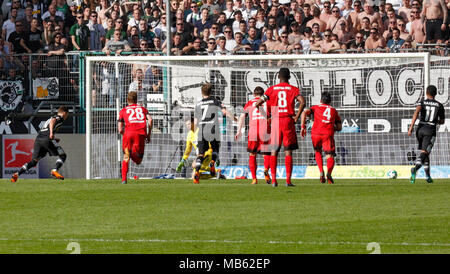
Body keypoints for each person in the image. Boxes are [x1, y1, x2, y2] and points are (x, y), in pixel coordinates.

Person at [255, 68, 306, 187]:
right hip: (288, 120)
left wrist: (267, 116)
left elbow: (258, 104)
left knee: (274, 151)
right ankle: (288, 181)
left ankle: (274, 180)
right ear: (289, 77)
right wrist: (297, 116)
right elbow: (302, 102)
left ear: (278, 76)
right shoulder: (293, 89)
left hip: (276, 120)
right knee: (288, 151)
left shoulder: (271, 89)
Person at [11, 107, 70, 182]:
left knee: (34, 161)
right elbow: (53, 121)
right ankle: (54, 170)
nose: (66, 117)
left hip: (39, 139)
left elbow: (46, 128)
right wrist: (51, 133)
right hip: (47, 139)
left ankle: (17, 174)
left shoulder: (51, 119)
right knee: (63, 155)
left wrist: (53, 138)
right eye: (67, 115)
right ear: (64, 113)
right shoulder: (59, 117)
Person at [193, 82, 235, 184]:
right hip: (213, 128)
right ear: (211, 92)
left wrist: (195, 132)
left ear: (202, 92)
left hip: (202, 129)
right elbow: (224, 112)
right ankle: (212, 163)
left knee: (200, 154)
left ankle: (197, 173)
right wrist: (234, 118)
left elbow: (195, 122)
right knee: (215, 149)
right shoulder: (215, 101)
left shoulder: (198, 104)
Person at [300, 92, 342, 184]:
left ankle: (321, 172)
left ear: (320, 100)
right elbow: (339, 128)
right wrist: (331, 126)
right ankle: (329, 173)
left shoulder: (315, 107)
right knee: (329, 155)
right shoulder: (333, 110)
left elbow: (304, 112)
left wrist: (303, 127)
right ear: (330, 101)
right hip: (327, 134)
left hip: (316, 134)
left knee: (317, 151)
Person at [408, 85, 445, 184]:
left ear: (426, 93)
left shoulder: (422, 102)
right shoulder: (439, 105)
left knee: (425, 153)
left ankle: (428, 176)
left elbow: (416, 113)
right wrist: (436, 120)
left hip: (419, 130)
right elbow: (442, 121)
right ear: (435, 94)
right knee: (425, 153)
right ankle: (415, 168)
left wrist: (411, 127)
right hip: (430, 131)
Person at [235, 86, 271, 185]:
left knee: (252, 154)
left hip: (253, 130)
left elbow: (242, 116)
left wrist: (239, 130)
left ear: (254, 94)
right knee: (266, 154)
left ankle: (254, 179)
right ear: (263, 94)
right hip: (265, 129)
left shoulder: (250, 103)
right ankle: (266, 170)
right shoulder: (267, 102)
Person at [118, 91, 153, 184]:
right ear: (136, 100)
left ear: (127, 100)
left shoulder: (123, 111)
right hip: (141, 134)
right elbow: (150, 120)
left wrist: (125, 134)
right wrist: (148, 134)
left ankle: (124, 179)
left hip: (128, 134)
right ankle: (131, 155)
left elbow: (120, 129)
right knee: (138, 160)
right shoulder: (143, 109)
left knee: (126, 156)